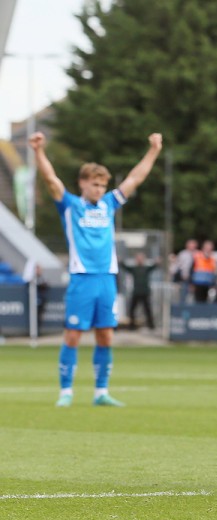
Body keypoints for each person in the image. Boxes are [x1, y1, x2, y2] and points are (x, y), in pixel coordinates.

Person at [29, 131, 163, 407]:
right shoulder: (70, 205)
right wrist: (39, 151)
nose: (100, 189)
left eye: (103, 185)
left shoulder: (109, 204)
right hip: (82, 278)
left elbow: (135, 178)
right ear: (82, 184)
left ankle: (101, 392)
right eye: (95, 184)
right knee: (73, 335)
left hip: (106, 279)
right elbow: (50, 180)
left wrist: (154, 150)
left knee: (105, 335)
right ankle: (65, 392)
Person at [120, 252, 158, 330]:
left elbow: (154, 266)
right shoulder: (134, 269)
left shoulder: (146, 268)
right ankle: (132, 326)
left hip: (145, 292)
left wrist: (157, 262)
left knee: (147, 309)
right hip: (136, 292)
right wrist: (120, 261)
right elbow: (125, 267)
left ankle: (151, 325)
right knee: (132, 309)